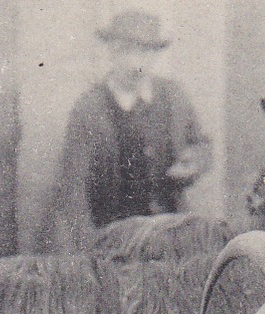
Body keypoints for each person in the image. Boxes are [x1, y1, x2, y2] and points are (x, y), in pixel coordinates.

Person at [39, 9, 211, 253]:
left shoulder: (174, 97)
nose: (136, 63)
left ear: (154, 55)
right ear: (112, 52)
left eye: (145, 52)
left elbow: (202, 144)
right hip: (113, 243)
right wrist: (86, 251)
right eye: (127, 51)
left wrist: (193, 162)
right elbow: (73, 189)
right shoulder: (90, 108)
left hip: (170, 235)